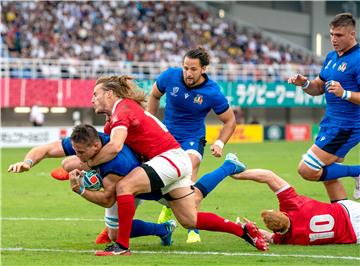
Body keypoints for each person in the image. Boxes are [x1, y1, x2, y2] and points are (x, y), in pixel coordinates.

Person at [88, 75, 268, 256]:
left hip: (169, 158)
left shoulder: (123, 109)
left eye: (96, 94)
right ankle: (243, 231)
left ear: (109, 94)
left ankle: (122, 247)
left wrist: (88, 164)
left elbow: (115, 147)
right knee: (190, 219)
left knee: (125, 186)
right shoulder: (116, 116)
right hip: (173, 160)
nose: (92, 99)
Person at [7, 124, 178, 246]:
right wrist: (27, 163)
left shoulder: (116, 164)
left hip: (155, 188)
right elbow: (45, 149)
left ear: (96, 146)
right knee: (115, 234)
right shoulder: (88, 140)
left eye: (81, 152)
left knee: (189, 216)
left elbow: (107, 200)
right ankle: (163, 230)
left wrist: (80, 189)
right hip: (123, 187)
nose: (78, 154)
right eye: (75, 150)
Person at [147, 47, 236, 242]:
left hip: (192, 138)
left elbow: (230, 121)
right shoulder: (170, 76)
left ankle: (193, 230)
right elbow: (154, 95)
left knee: (189, 167)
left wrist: (220, 142)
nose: (188, 72)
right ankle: (169, 206)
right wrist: (151, 123)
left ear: (203, 69)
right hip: (166, 136)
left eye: (193, 69)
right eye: (186, 67)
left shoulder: (212, 92)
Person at [287, 13, 360, 201]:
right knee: (328, 173)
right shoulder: (331, 57)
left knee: (307, 169)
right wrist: (304, 84)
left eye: (339, 35)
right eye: (332, 35)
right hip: (330, 123)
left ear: (352, 34)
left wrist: (345, 93)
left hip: (347, 126)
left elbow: (344, 93)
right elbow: (318, 87)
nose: (334, 39)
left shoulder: (358, 59)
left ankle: (358, 172)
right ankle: (347, 218)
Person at [232, 168, 360, 245]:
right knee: (326, 172)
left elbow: (267, 236)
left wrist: (246, 228)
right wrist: (237, 174)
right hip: (348, 212)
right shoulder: (293, 205)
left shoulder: (287, 239)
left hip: (353, 234)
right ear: (282, 213)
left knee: (329, 177)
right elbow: (268, 176)